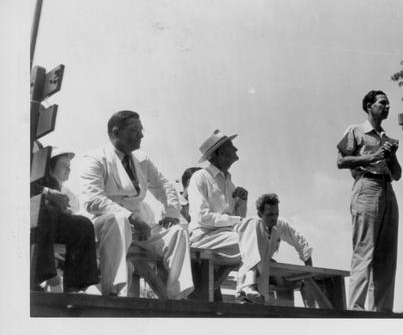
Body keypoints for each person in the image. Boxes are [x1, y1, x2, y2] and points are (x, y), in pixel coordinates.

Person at [79, 110, 193, 299]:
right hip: (106, 224)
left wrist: (171, 211)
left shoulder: (142, 159)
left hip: (141, 227)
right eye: (134, 130)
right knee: (118, 221)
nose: (141, 135)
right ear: (115, 133)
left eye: (141, 130)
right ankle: (114, 291)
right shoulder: (95, 158)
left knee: (178, 232)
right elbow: (93, 200)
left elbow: (164, 186)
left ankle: (177, 296)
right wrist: (131, 217)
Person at [336, 90, 402, 312]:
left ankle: (382, 312)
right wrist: (371, 157)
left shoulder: (386, 137)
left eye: (388, 104)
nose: (387, 107)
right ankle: (356, 310)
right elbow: (341, 160)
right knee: (364, 250)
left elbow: (398, 174)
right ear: (369, 106)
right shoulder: (356, 130)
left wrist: (390, 155)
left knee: (386, 255)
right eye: (382, 103)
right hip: (367, 186)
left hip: (387, 189)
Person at [186, 130, 249, 299]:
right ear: (220, 152)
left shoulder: (229, 182)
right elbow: (202, 217)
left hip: (224, 236)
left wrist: (242, 201)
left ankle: (247, 288)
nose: (236, 150)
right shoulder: (200, 177)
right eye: (231, 147)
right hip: (204, 237)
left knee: (256, 236)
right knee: (251, 239)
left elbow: (238, 217)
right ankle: (245, 290)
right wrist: (237, 220)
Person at [30, 148, 99, 293]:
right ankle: (41, 275)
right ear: (50, 166)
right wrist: (48, 194)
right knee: (48, 211)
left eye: (69, 166)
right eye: (64, 165)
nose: (68, 169)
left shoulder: (62, 188)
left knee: (83, 224)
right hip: (30, 220)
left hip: (51, 225)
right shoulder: (37, 177)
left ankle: (75, 285)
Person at [235, 193, 312, 303]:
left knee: (286, 281)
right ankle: (245, 289)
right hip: (243, 263)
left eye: (276, 214)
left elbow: (301, 243)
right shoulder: (253, 224)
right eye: (270, 215)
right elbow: (246, 256)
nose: (274, 218)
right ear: (260, 214)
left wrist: (309, 271)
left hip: (264, 266)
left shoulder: (280, 225)